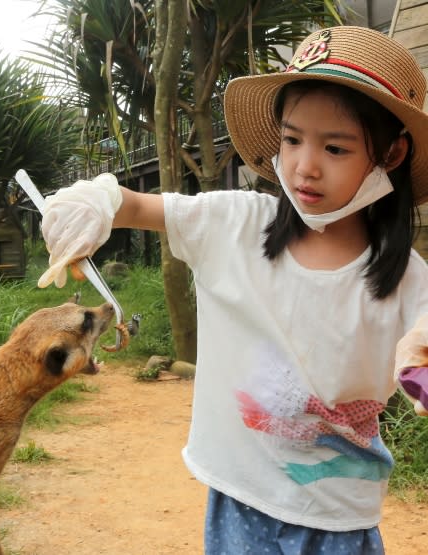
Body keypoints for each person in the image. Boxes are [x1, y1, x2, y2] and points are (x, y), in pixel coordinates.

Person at [36, 25, 428, 554]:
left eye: (335, 147)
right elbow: (135, 205)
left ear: (392, 155)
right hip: (240, 500)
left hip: (340, 517)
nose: (304, 166)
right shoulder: (234, 225)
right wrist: (95, 202)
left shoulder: (407, 277)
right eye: (291, 139)